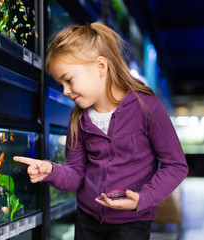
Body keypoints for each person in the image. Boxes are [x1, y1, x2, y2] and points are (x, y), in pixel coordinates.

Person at [13, 22, 188, 240]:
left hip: (131, 223)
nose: (66, 91)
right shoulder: (78, 118)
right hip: (87, 220)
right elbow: (76, 175)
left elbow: (176, 165)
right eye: (61, 85)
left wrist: (144, 197)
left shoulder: (147, 107)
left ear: (100, 67)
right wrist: (51, 170)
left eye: (68, 79)